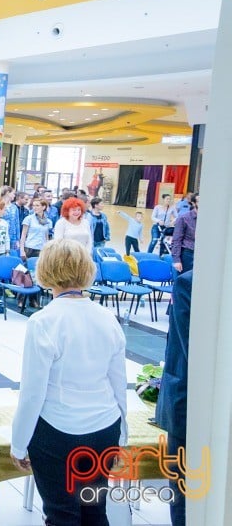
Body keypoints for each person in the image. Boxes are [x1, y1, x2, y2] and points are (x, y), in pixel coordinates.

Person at [11, 239, 127, 525]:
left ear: (46, 270)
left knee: (62, 513)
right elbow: (118, 383)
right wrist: (123, 434)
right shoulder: (107, 317)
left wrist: (18, 443)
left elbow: (32, 393)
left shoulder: (44, 321)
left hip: (59, 432)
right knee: (94, 512)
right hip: (104, 429)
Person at [155, 270, 193, 526]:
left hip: (189, 403)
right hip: (186, 402)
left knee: (185, 492)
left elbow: (190, 349)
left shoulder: (190, 282)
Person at [171, 193, 197, 273]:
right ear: (193, 203)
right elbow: (176, 239)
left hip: (204, 254)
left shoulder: (209, 219)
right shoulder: (184, 218)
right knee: (185, 282)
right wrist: (176, 260)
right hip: (188, 253)